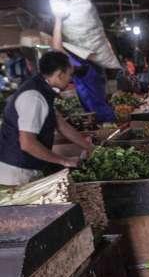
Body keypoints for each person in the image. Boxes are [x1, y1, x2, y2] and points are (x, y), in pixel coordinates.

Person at [0, 51, 95, 186]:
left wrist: (90, 147)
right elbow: (27, 143)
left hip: (25, 167)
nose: (70, 79)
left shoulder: (42, 88)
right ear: (59, 75)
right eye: (70, 74)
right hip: (17, 172)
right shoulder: (34, 98)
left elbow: (61, 125)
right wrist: (64, 161)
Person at [52, 15, 116, 123]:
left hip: (102, 119)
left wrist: (58, 19)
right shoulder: (92, 67)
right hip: (102, 116)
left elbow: (57, 48)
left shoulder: (85, 70)